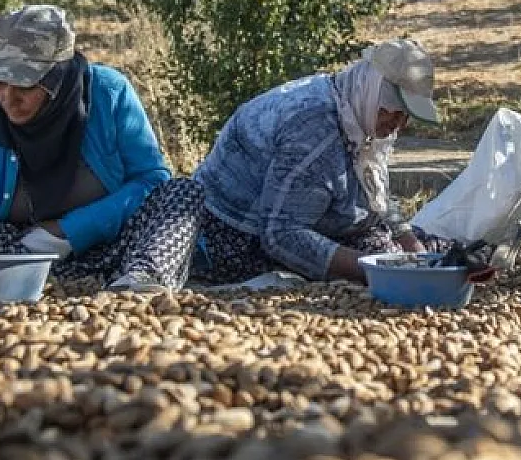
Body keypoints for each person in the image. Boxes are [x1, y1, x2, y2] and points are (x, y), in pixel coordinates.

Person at [0, 4, 203, 291]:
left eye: (24, 84)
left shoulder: (109, 94)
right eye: (0, 82)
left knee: (181, 194)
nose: (9, 99)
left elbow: (151, 181)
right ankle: (41, 285)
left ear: (58, 77)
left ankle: (141, 284)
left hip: (116, 248)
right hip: (23, 256)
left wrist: (66, 232)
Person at [191, 39, 454, 284]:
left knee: (430, 256)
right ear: (374, 89)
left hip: (318, 221)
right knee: (393, 264)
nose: (399, 125)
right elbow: (281, 234)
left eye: (406, 115)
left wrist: (411, 245)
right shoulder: (315, 131)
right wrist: (376, 270)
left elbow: (376, 193)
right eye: (396, 111)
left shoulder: (357, 110)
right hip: (238, 238)